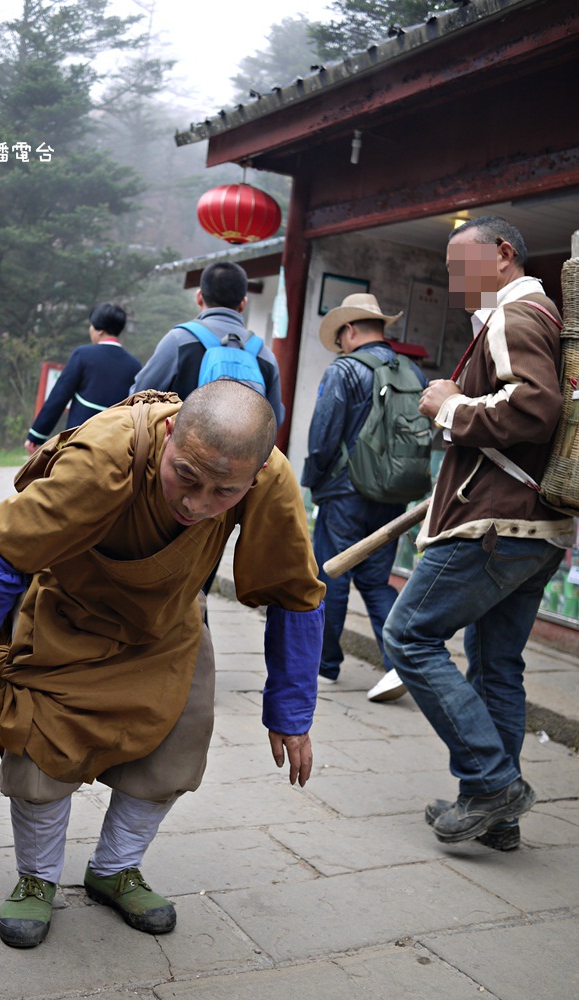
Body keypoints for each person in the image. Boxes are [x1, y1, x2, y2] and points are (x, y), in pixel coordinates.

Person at [0, 379, 325, 949]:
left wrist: (291, 709)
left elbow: (295, 594)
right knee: (39, 749)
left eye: (223, 492)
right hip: (70, 616)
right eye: (186, 475)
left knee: (174, 751)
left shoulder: (269, 479)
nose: (196, 504)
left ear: (252, 478)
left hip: (171, 626)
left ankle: (114, 869)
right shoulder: (108, 454)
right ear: (170, 435)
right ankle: (36, 880)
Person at [383, 216, 574, 851]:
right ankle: (497, 814)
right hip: (536, 528)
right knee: (496, 666)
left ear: (502, 253)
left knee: (409, 635)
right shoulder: (539, 317)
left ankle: (491, 784)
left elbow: (533, 407)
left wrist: (448, 406)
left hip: (493, 522)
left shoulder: (512, 318)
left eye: (460, 262)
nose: (453, 278)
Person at [301, 293, 426, 701]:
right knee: (376, 581)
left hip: (344, 491)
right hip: (392, 493)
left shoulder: (346, 370)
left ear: (350, 330)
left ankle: (325, 667)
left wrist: (313, 480)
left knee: (332, 574)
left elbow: (323, 436)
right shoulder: (413, 371)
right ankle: (398, 665)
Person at [130, 260, 285, 426]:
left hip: (182, 450)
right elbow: (275, 419)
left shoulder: (179, 340)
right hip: (241, 451)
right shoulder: (264, 355)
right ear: (243, 304)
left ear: (199, 297)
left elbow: (138, 396)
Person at [24, 302, 141, 454]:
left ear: (99, 330)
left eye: (91, 325)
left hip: (78, 441)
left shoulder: (83, 355)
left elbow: (59, 397)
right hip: (116, 447)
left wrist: (36, 435)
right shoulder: (134, 365)